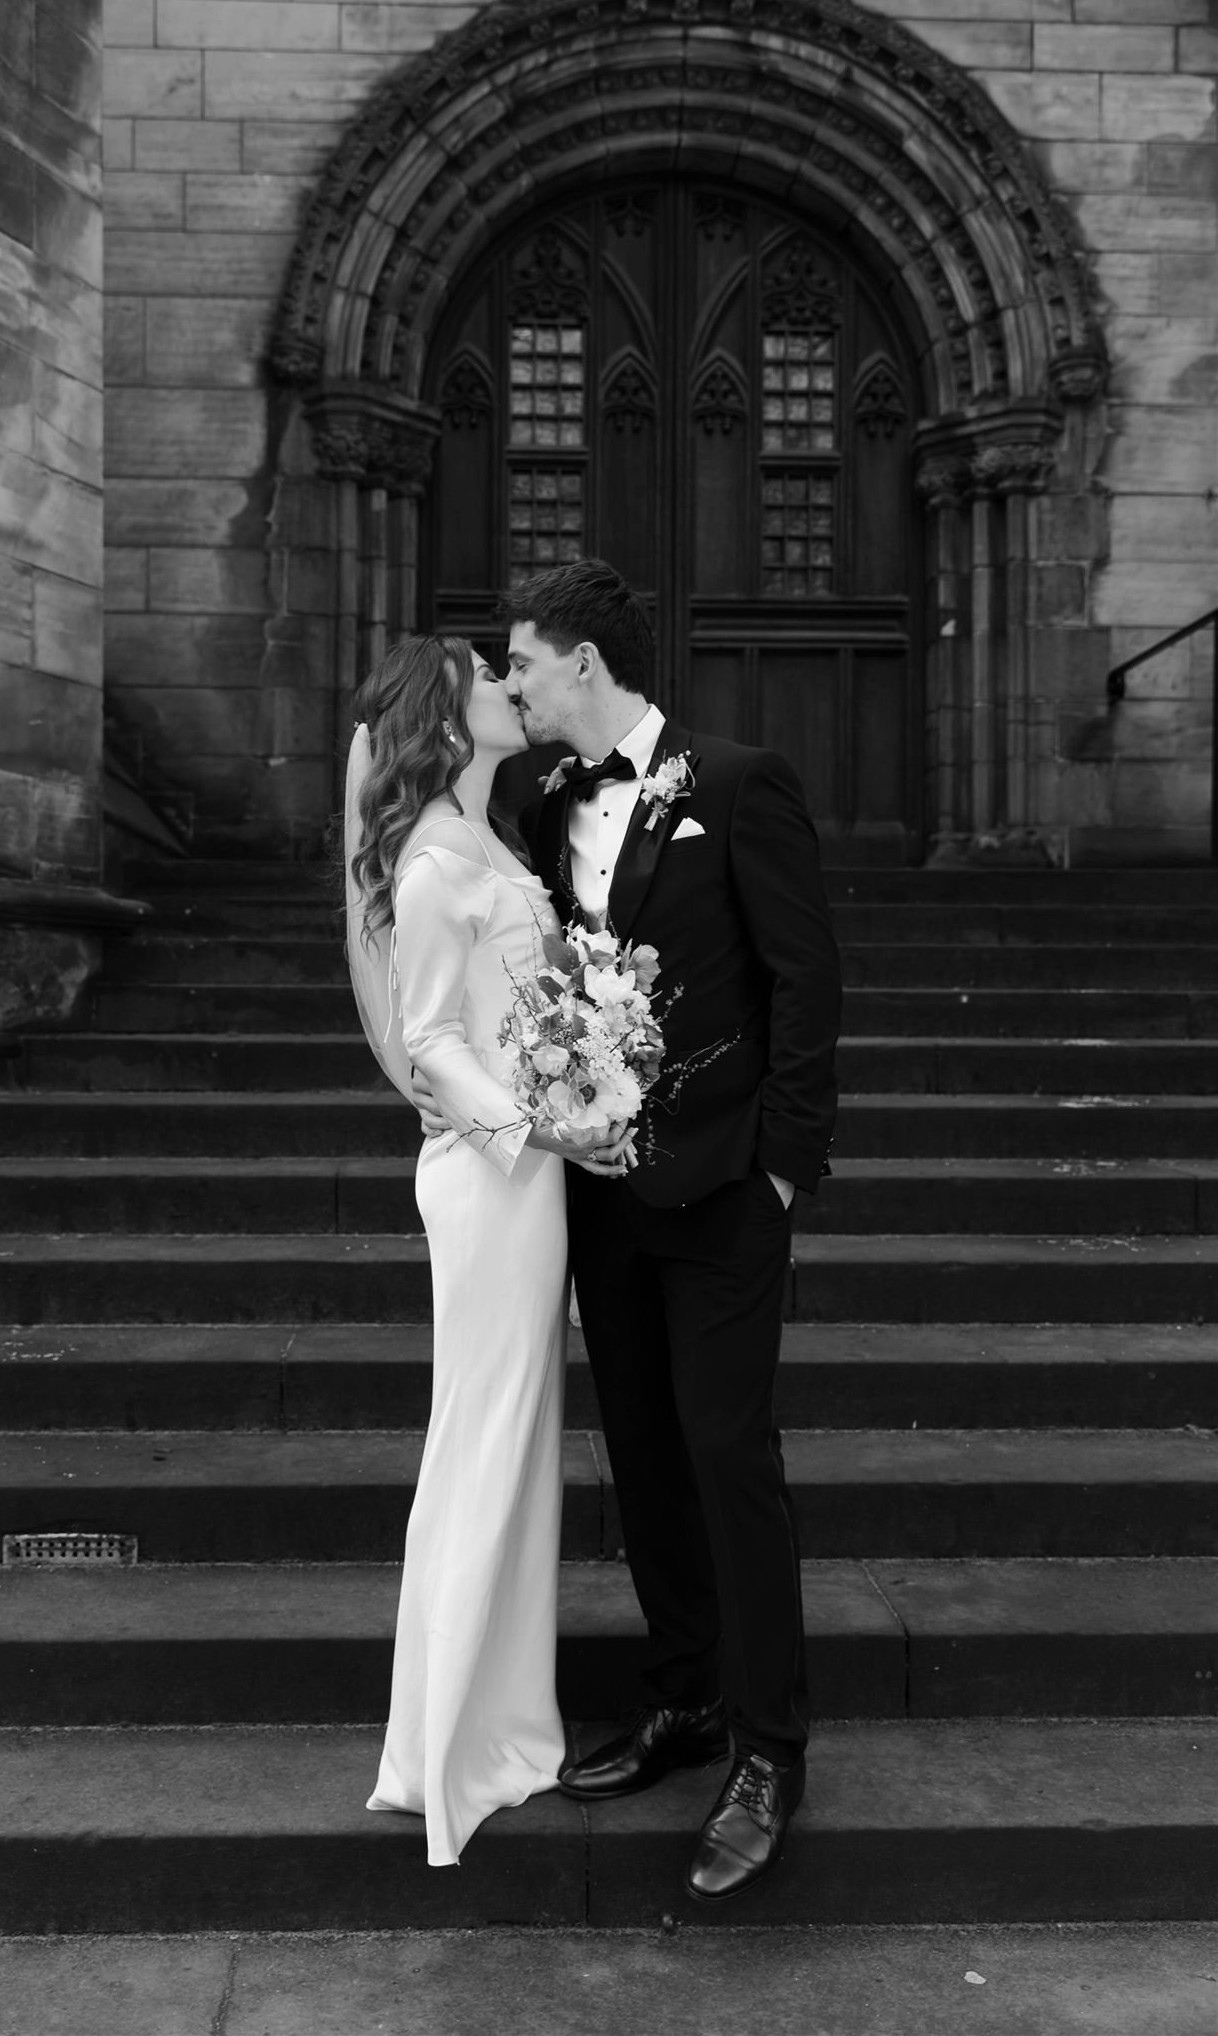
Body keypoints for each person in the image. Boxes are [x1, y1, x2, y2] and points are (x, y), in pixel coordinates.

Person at [499, 559, 843, 1904]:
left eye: (523, 660)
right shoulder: (536, 805)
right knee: (640, 1457)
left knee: (723, 1455)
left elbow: (803, 980)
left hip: (720, 1191)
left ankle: (769, 1747)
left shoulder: (738, 782)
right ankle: (688, 1696)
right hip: (599, 1196)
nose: (512, 680)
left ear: (584, 662)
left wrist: (783, 1172)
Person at [343, 632, 633, 1868]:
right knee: (486, 1438)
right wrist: (543, 1125)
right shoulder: (428, 858)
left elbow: (510, 1011)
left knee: (520, 1448)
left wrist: (592, 1057)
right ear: (447, 719)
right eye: (486, 676)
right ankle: (447, 1744)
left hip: (527, 1175)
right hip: (490, 1179)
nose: (509, 686)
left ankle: (508, 1721)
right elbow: (426, 1043)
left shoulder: (492, 838)